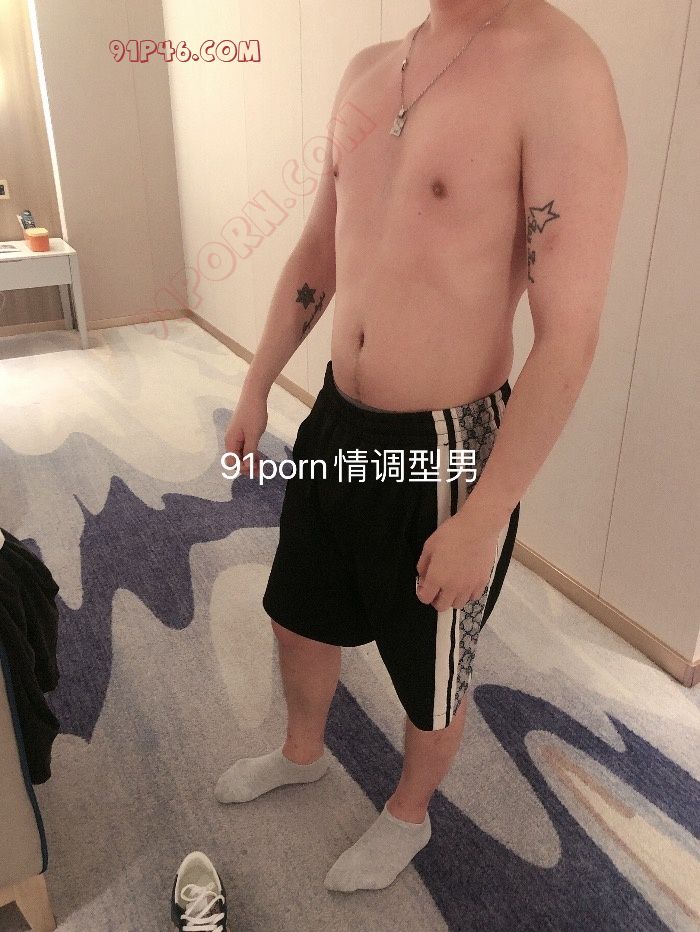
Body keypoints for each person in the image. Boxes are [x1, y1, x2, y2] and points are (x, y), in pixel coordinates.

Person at [215, 0, 628, 893]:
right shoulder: (370, 68)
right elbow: (320, 248)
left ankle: (409, 811)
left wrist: (486, 517)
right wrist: (257, 381)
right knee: (298, 609)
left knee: (431, 665)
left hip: (444, 449)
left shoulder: (560, 72)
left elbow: (569, 333)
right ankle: (303, 753)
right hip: (337, 422)